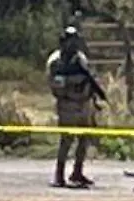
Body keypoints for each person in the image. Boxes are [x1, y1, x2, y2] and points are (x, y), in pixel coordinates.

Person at [45, 26, 105, 188]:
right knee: (66, 140)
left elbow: (87, 77)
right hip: (67, 104)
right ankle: (59, 174)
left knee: (84, 138)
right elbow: (54, 82)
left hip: (84, 103)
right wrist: (72, 81)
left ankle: (77, 171)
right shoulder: (56, 60)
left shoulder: (80, 58)